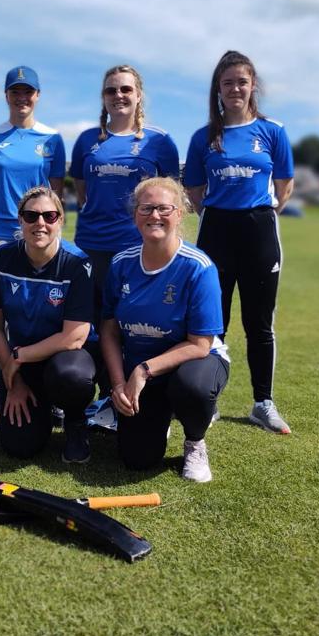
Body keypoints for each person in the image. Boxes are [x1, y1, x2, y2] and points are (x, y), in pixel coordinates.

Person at [183, 50, 294, 434]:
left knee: (259, 324)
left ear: (252, 87)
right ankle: (208, 399)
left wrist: (261, 211)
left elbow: (285, 184)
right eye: (227, 82)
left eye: (241, 82)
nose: (235, 88)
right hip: (216, 231)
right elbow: (194, 188)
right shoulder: (203, 137)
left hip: (259, 231)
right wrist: (218, 211)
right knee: (214, 323)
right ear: (218, 89)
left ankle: (262, 403)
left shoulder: (273, 131)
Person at [101, 177, 229, 482]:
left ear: (180, 213)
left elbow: (199, 344)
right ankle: (162, 414)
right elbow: (108, 331)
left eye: (163, 208)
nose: (154, 216)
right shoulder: (121, 264)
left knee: (192, 387)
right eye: (146, 209)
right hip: (142, 373)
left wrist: (143, 370)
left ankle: (195, 440)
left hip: (194, 362)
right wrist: (118, 385)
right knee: (137, 459)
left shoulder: (199, 267)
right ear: (134, 215)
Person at [0, 187, 96, 463]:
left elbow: (74, 338)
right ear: (20, 220)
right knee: (19, 446)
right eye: (31, 216)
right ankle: (44, 410)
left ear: (60, 220)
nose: (40, 223)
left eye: (49, 215)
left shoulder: (77, 263)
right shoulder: (0, 260)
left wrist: (16, 358)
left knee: (72, 376)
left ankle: (75, 423)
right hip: (24, 364)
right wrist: (16, 382)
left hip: (65, 359)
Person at [0, 66, 66, 413]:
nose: (22, 98)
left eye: (28, 91)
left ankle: (49, 384)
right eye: (16, 91)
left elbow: (55, 194)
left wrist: (48, 226)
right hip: (2, 233)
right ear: (7, 96)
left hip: (42, 233)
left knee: (47, 309)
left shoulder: (52, 139)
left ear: (37, 96)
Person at [69, 65, 179, 334]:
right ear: (103, 98)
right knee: (90, 325)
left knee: (133, 323)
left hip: (137, 247)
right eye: (111, 90)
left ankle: (131, 377)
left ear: (138, 95)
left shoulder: (160, 141)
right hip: (91, 246)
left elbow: (172, 197)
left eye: (126, 89)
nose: (118, 95)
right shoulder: (86, 140)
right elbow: (83, 193)